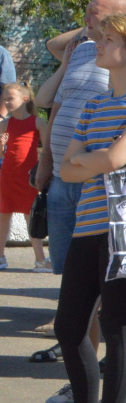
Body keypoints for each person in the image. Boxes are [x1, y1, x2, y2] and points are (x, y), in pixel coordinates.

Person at [28, 13, 126, 403]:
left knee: (118, 324)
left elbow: (116, 156)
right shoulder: (93, 106)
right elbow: (70, 167)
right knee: (70, 326)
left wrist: (94, 159)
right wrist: (95, 159)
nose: (97, 45)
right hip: (90, 224)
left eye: (107, 40)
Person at [30, 0, 126, 360]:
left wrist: (108, 25)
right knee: (69, 270)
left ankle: (89, 350)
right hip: (62, 175)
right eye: (86, 11)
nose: (87, 16)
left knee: (96, 276)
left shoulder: (121, 58)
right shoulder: (84, 49)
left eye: (95, 12)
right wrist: (46, 164)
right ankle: (74, 343)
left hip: (93, 180)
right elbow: (54, 105)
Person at [0, 82, 48, 271]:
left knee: (31, 217)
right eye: (4, 99)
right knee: (3, 216)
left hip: (28, 178)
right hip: (8, 177)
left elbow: (46, 149)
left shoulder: (37, 122)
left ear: (24, 99)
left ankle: (40, 260)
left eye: (10, 98)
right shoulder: (5, 123)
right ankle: (1, 257)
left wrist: (43, 172)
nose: (6, 102)